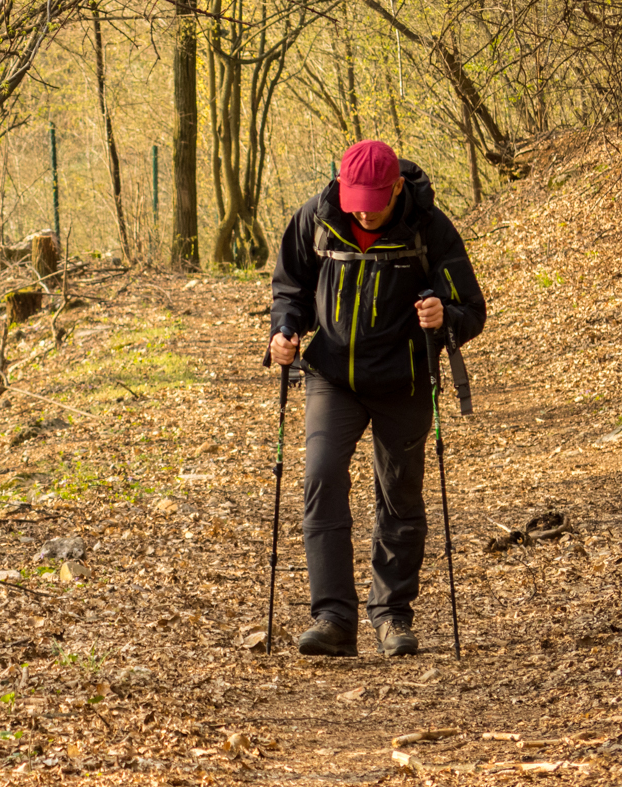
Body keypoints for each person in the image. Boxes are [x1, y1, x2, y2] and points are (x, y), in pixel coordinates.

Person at [267, 140, 486, 657]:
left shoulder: (428, 228)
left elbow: (469, 307)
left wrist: (444, 317)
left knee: (400, 496)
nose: (362, 208)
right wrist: (284, 329)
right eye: (353, 196)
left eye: (372, 198)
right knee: (320, 478)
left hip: (403, 382)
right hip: (331, 377)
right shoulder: (317, 219)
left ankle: (392, 617)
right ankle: (334, 619)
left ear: (394, 188)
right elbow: (289, 287)